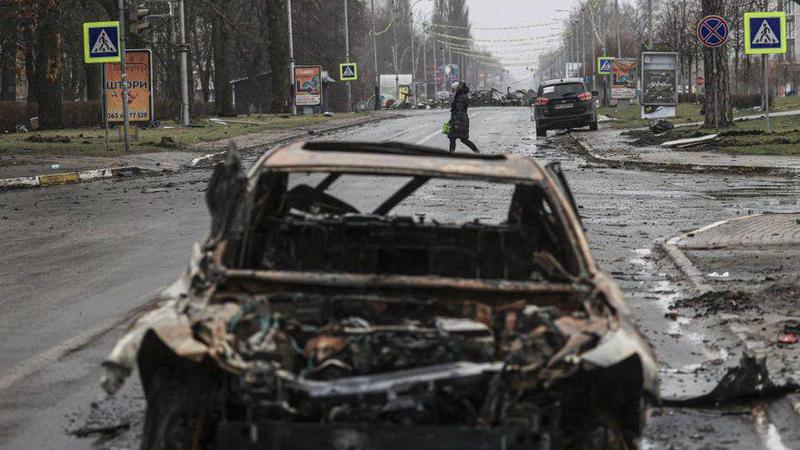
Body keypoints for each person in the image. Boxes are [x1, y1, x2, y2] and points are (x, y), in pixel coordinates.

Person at [447, 81, 480, 153]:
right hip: (461, 120)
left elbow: (459, 111)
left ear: (457, 89)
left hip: (460, 121)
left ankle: (476, 151)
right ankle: (476, 151)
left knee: (462, 139)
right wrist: (451, 121)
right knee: (453, 138)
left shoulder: (459, 97)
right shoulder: (462, 95)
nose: (452, 91)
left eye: (453, 89)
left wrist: (457, 123)